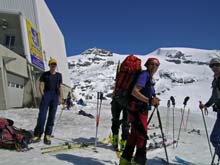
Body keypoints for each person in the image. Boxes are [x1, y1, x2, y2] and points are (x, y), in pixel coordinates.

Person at [119, 58, 160, 165]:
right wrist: (149, 100)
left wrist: (154, 99)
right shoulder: (144, 75)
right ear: (147, 65)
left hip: (137, 110)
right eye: (151, 64)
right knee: (142, 136)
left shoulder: (149, 78)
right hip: (138, 110)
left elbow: (149, 94)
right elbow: (134, 91)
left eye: (156, 65)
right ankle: (139, 162)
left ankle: (124, 161)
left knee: (134, 135)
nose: (154, 67)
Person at [32, 58, 62, 145]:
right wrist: (42, 93)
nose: (53, 66)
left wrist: (60, 97)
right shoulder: (45, 74)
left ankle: (47, 135)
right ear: (49, 65)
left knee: (51, 116)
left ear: (56, 66)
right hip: (47, 94)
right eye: (52, 64)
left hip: (55, 96)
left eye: (54, 64)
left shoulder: (59, 75)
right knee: (42, 115)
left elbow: (60, 86)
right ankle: (38, 134)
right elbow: (41, 84)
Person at [200, 58, 220, 158]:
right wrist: (206, 105)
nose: (214, 68)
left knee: (214, 138)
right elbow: (214, 97)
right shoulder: (215, 80)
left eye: (216, 65)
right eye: (211, 66)